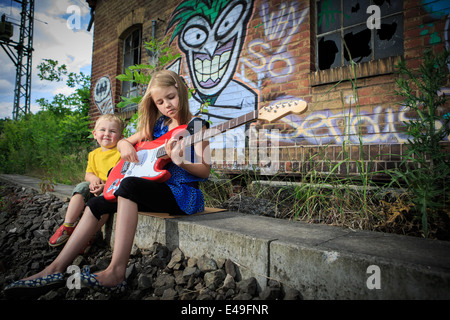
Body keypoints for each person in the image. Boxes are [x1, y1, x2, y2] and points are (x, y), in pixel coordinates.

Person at [4, 70, 210, 297]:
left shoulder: (197, 126)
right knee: (97, 204)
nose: (167, 105)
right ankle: (54, 268)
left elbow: (204, 170)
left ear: (180, 90)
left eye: (171, 97)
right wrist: (124, 145)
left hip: (182, 194)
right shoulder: (157, 125)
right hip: (154, 188)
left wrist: (180, 160)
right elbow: (124, 142)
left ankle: (116, 272)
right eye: (159, 102)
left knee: (129, 186)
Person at [49, 113, 124, 247]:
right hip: (94, 186)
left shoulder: (120, 153)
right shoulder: (93, 154)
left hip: (111, 188)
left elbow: (122, 176)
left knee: (103, 203)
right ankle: (68, 225)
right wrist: (94, 179)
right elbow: (88, 173)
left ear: (121, 137)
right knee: (81, 188)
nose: (106, 134)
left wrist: (105, 186)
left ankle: (89, 234)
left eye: (112, 131)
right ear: (95, 134)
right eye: (102, 130)